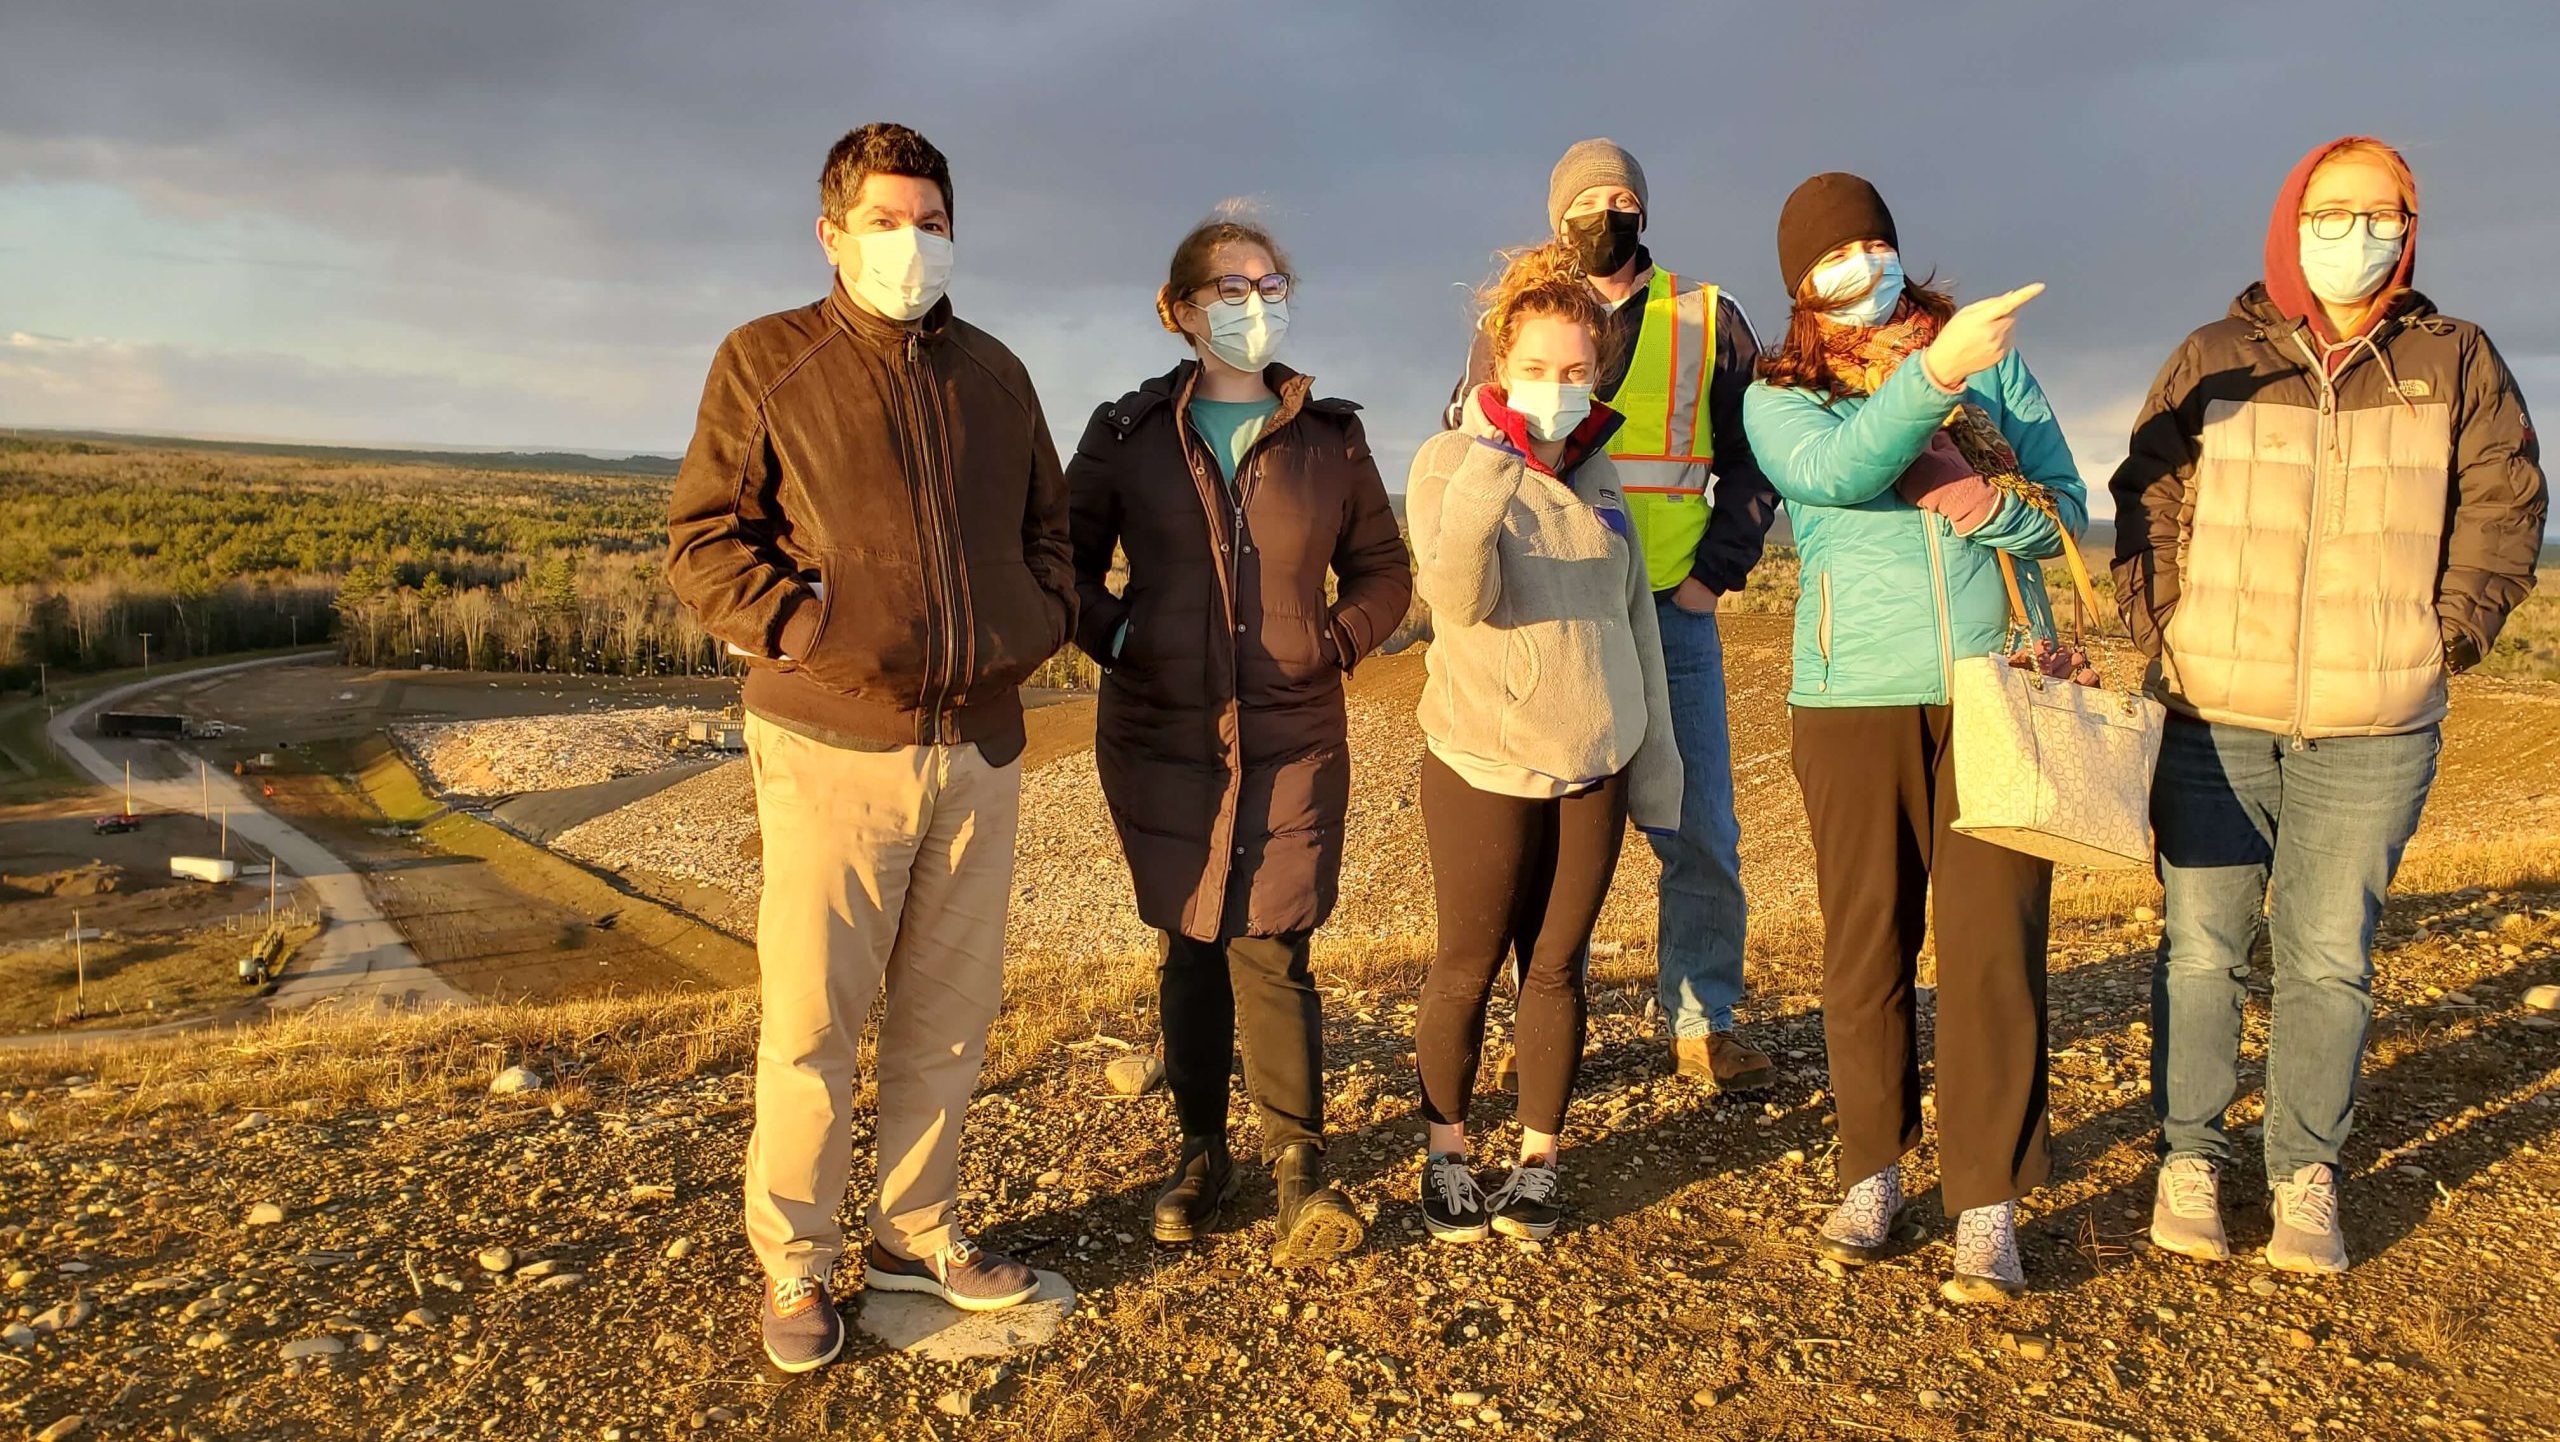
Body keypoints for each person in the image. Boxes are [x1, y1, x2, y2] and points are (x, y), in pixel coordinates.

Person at [666, 122, 1074, 1372]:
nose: (915, 243)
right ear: (832, 230)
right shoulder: (769, 361)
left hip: (981, 747)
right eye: (889, 221)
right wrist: (811, 629)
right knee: (812, 1019)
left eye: (934, 220)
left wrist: (1035, 626)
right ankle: (794, 1257)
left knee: (949, 1017)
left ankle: (914, 1232)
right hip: (832, 745)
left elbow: (1049, 532)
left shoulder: (996, 373)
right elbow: (703, 539)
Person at [2114, 137, 2545, 1274]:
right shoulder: (2214, 355)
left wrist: (2441, 635)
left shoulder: (2452, 360)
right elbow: (2146, 491)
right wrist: (2164, 631)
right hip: (2214, 713)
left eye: (2381, 212)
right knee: (2200, 949)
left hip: (2375, 723)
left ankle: (2304, 1171)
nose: (2357, 232)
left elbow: (2505, 500)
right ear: (2289, 219)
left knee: (2327, 954)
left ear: (2410, 230)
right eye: (2333, 210)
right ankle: (2187, 1158)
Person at [1743, 172, 2085, 1302]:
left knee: (1991, 947)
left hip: (1995, 688)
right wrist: (1933, 376)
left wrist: (1990, 508)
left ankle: (1985, 1201)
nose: (1862, 266)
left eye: (1875, 244)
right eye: (1834, 257)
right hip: (1852, 699)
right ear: (1800, 283)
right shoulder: (1780, 392)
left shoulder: (1994, 365)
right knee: (1865, 945)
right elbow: (1835, 475)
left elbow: (2068, 514)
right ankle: (1871, 1167)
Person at [1065, 213, 1412, 1263]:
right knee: (1189, 943)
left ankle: (1300, 1163)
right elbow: (1061, 564)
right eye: (1228, 286)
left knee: (1273, 941)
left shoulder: (1330, 439)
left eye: (1269, 282)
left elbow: (1385, 572)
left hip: (1294, 729)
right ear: (1179, 310)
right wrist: (1123, 636)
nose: (1253, 302)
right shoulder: (1124, 437)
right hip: (1161, 731)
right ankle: (1201, 1150)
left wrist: (1331, 642)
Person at [1446, 139, 1780, 1092]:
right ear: (1558, 217)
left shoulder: (1709, 316)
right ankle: (1546, 1020)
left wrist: (1714, 576)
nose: (1609, 211)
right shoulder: (1520, 327)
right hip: (1556, 623)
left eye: (1624, 195)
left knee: (1700, 828)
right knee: (1546, 845)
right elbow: (1469, 446)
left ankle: (1704, 1018)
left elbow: (1756, 460)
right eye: (1589, 198)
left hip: (1672, 616)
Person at [1408, 241, 1683, 1244]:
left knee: (1558, 966)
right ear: (1499, 364)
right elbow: (1457, 598)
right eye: (1536, 369)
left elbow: (1636, 629)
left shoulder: (1605, 477)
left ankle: (1537, 1158)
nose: (1556, 390)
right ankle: (1446, 1152)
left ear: (1597, 371)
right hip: (1482, 759)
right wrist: (1491, 465)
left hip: (1592, 764)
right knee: (1466, 962)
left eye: (1575, 372)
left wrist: (1657, 770)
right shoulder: (1448, 460)